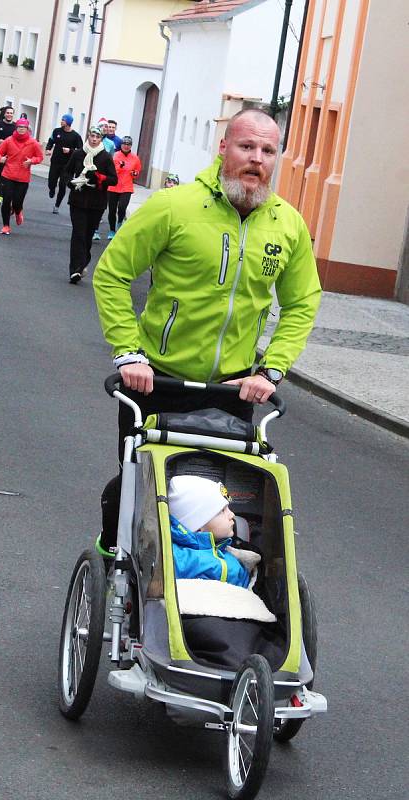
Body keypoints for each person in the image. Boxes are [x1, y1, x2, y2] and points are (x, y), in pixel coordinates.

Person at [92, 108, 322, 556]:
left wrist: (270, 372)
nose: (256, 159)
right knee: (142, 485)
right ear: (224, 148)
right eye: (246, 146)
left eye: (268, 150)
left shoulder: (287, 224)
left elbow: (301, 303)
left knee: (222, 500)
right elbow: (113, 273)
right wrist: (129, 353)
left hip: (233, 390)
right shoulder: (173, 206)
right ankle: (114, 562)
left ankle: (199, 591)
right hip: (157, 379)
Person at [168, 476, 250, 588]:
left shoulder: (231, 557)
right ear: (198, 525)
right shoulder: (174, 557)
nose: (232, 515)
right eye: (222, 511)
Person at [63, 124, 118, 284]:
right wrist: (70, 182)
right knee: (78, 233)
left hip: (97, 202)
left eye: (97, 137)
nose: (94, 139)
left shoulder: (106, 157)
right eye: (92, 136)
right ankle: (75, 270)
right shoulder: (78, 154)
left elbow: (114, 179)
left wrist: (100, 178)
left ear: (101, 139)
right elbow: (67, 171)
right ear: (88, 136)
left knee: (87, 235)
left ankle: (84, 260)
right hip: (78, 200)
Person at [0, 117, 43, 235]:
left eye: (24, 128)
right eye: (19, 127)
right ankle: (6, 226)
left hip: (23, 178)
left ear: (27, 129)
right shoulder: (9, 140)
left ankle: (17, 210)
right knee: (6, 201)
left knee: (17, 201)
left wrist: (32, 160)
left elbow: (40, 157)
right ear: (16, 128)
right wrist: (1, 159)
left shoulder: (33, 143)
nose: (21, 130)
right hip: (8, 175)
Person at [45, 114, 83, 214]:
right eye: (61, 119)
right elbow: (51, 141)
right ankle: (52, 189)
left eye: (63, 120)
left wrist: (70, 151)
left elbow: (80, 150)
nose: (61, 121)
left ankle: (57, 205)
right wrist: (48, 149)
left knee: (62, 185)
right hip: (55, 162)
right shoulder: (56, 131)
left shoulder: (76, 136)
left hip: (68, 165)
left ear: (68, 123)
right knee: (51, 181)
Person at [106, 135, 141, 239]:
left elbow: (137, 171)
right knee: (112, 210)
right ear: (121, 145)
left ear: (131, 146)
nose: (126, 146)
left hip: (127, 187)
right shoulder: (116, 155)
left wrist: (135, 173)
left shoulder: (135, 158)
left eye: (128, 144)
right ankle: (112, 231)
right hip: (113, 186)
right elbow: (111, 170)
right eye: (124, 144)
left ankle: (120, 222)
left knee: (122, 207)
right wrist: (119, 167)